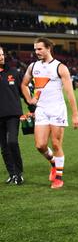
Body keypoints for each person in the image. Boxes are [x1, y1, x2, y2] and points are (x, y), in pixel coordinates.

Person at [21, 37, 78, 189]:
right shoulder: (33, 66)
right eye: (35, 49)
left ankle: (58, 177)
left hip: (57, 110)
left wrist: (75, 114)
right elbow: (24, 84)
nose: (37, 52)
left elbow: (70, 93)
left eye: (40, 49)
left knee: (55, 144)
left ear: (48, 48)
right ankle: (53, 163)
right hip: (41, 109)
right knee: (40, 145)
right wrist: (29, 100)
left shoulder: (60, 67)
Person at [0, 46, 26, 185]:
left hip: (13, 115)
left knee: (12, 142)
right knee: (4, 147)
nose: (1, 57)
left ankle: (19, 173)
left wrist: (32, 107)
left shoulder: (14, 72)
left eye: (2, 54)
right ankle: (12, 174)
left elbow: (24, 92)